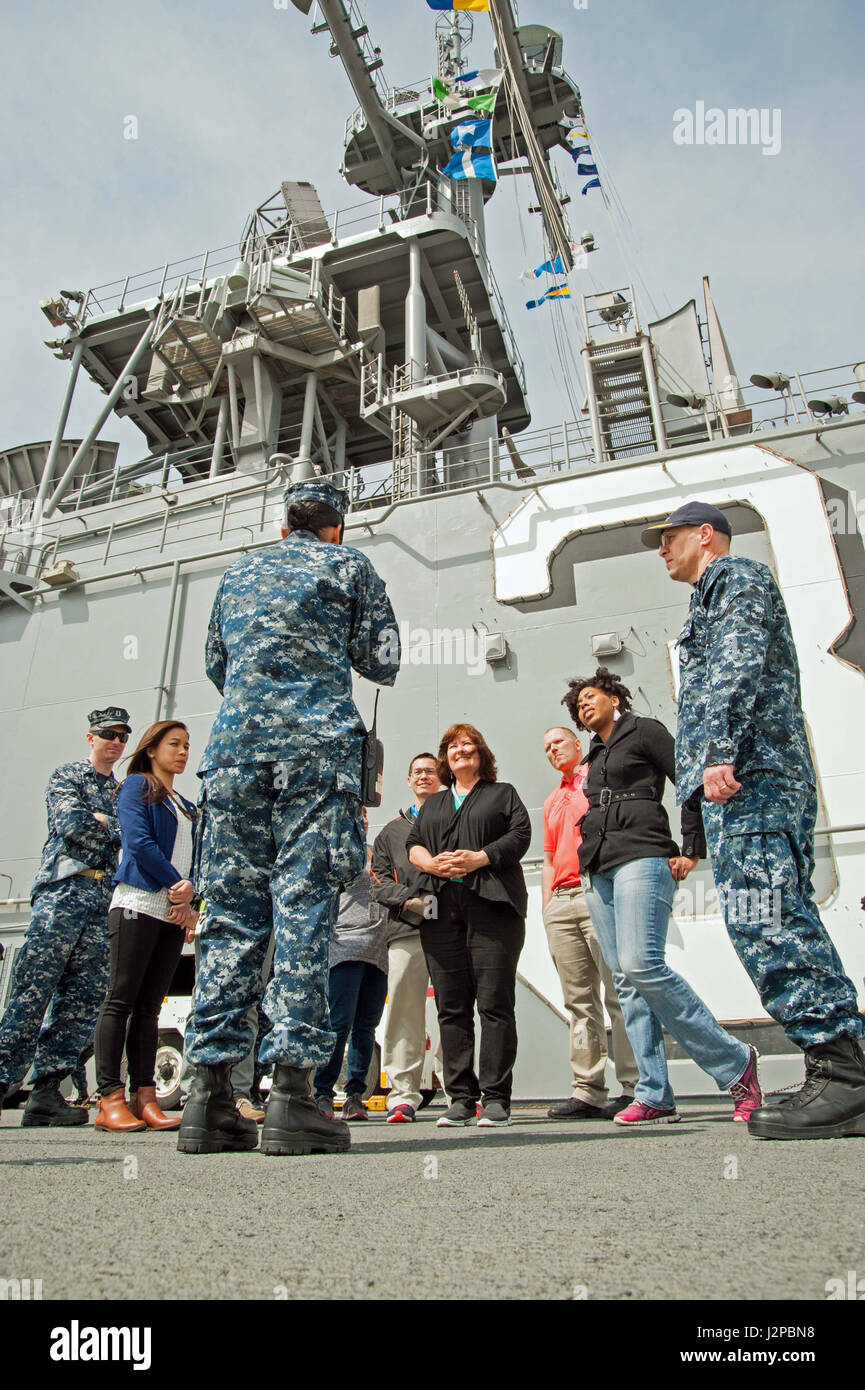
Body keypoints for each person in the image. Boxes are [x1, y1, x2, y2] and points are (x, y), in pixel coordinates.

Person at [178, 480, 400, 1157]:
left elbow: (218, 664)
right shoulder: (347, 563)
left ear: (283, 525)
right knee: (302, 910)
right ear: (334, 527)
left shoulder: (237, 571)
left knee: (232, 916)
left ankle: (209, 1098)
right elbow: (381, 661)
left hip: (234, 755)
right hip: (315, 755)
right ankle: (293, 1096)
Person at [644, 500, 865, 1139]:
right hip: (748, 785)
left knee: (767, 917)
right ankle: (836, 1064)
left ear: (705, 535)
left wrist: (714, 755)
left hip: (751, 783)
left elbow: (734, 670)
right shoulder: (711, 595)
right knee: (770, 916)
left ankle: (844, 1074)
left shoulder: (736, 580)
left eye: (670, 537)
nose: (662, 549)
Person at [564, 668, 762, 1125]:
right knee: (625, 981)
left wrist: (692, 848)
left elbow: (689, 781)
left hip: (643, 855)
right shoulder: (593, 754)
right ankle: (654, 1092)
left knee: (642, 964)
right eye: (578, 705)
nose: (584, 706)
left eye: (591, 697)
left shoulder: (645, 730)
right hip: (597, 867)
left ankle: (735, 1064)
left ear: (614, 697)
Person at [0, 707, 129, 1127]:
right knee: (33, 989)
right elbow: (70, 824)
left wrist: (107, 823)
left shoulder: (122, 792)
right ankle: (3, 1079)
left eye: (122, 735)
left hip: (100, 899)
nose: (116, 741)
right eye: (107, 734)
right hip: (62, 892)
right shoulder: (67, 777)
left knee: (83, 998)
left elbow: (130, 834)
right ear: (90, 737)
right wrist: (112, 830)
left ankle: (47, 1092)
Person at [407, 724, 530, 1128]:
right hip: (441, 910)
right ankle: (460, 1098)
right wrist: (428, 863)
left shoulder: (502, 794)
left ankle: (496, 1099)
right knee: (451, 1006)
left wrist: (481, 858)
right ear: (446, 757)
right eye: (453, 746)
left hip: (492, 905)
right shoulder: (434, 804)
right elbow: (413, 845)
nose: (461, 750)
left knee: (494, 1003)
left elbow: (520, 834)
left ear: (481, 753)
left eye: (468, 744)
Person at [93, 721, 198, 1133]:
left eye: (187, 745)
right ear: (151, 749)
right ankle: (108, 1098)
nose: (183, 752)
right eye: (174, 744)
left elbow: (196, 858)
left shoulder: (186, 803)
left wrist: (191, 901)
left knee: (151, 1008)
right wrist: (177, 888)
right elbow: (138, 844)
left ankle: (145, 1095)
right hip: (138, 903)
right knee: (120, 999)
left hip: (172, 914)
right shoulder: (136, 787)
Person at [541, 726, 638, 1119]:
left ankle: (635, 1086)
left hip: (595, 889)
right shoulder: (551, 800)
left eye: (558, 742)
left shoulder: (596, 783)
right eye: (546, 748)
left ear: (578, 745)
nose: (552, 750)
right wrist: (547, 906)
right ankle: (588, 1090)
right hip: (560, 901)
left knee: (620, 991)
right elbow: (548, 859)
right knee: (579, 1001)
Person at [370, 752, 445, 1122]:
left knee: (455, 1010)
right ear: (409, 780)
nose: (423, 777)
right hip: (406, 930)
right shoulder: (390, 834)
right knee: (403, 1011)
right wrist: (411, 902)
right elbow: (379, 881)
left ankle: (461, 1088)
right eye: (417, 772)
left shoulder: (455, 820)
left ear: (440, 777)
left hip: (450, 928)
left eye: (430, 771)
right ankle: (402, 1094)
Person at [314, 814, 389, 1121]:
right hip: (344, 947)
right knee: (339, 1023)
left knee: (366, 1027)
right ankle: (321, 1092)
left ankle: (355, 1095)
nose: (359, 822)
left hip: (378, 951)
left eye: (363, 817)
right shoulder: (333, 854)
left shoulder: (378, 853)